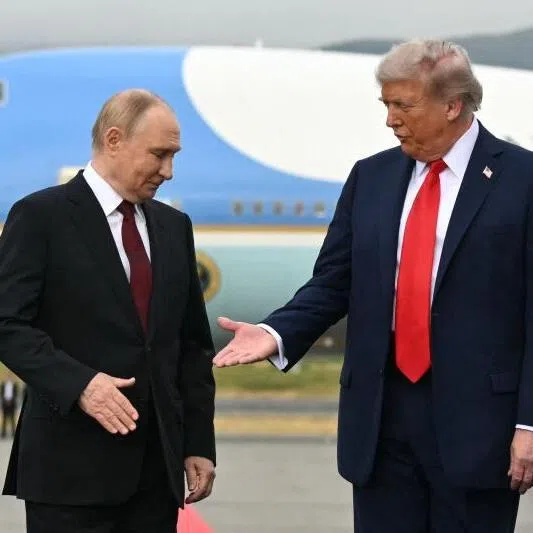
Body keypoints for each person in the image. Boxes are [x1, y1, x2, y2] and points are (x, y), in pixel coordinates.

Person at [213, 39, 533, 532]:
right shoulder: (372, 178)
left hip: (479, 431)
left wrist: (529, 422)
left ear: (452, 105)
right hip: (382, 423)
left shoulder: (522, 179)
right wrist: (275, 332)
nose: (390, 120)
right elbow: (333, 282)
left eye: (402, 105)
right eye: (386, 105)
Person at [0, 89, 216, 533]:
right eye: (159, 155)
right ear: (114, 140)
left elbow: (191, 346)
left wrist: (198, 443)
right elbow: (7, 324)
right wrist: (80, 384)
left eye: (173, 156)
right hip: (69, 477)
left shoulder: (174, 228)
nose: (168, 171)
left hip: (156, 477)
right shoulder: (41, 216)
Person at [0, 373, 19, 438]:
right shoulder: (3, 385)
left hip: (12, 404)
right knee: (4, 419)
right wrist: (5, 401)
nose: (8, 378)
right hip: (5, 404)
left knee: (12, 419)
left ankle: (13, 433)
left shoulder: (15, 385)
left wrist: (11, 401)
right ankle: (3, 434)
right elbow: (2, 394)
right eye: (7, 377)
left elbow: (16, 394)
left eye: (10, 377)